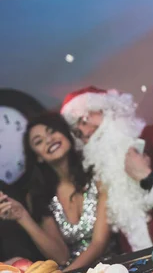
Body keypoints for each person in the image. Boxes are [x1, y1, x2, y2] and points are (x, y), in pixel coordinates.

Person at [60, 87, 153, 253]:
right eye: (77, 131)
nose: (85, 131)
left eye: (85, 119)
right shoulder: (101, 175)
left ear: (109, 109)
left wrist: (147, 177)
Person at [0, 113, 112, 271]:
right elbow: (61, 256)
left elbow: (99, 243)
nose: (49, 140)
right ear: (38, 157)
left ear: (66, 134)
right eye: (39, 141)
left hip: (113, 266)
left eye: (52, 131)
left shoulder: (99, 176)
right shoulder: (40, 196)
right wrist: (22, 216)